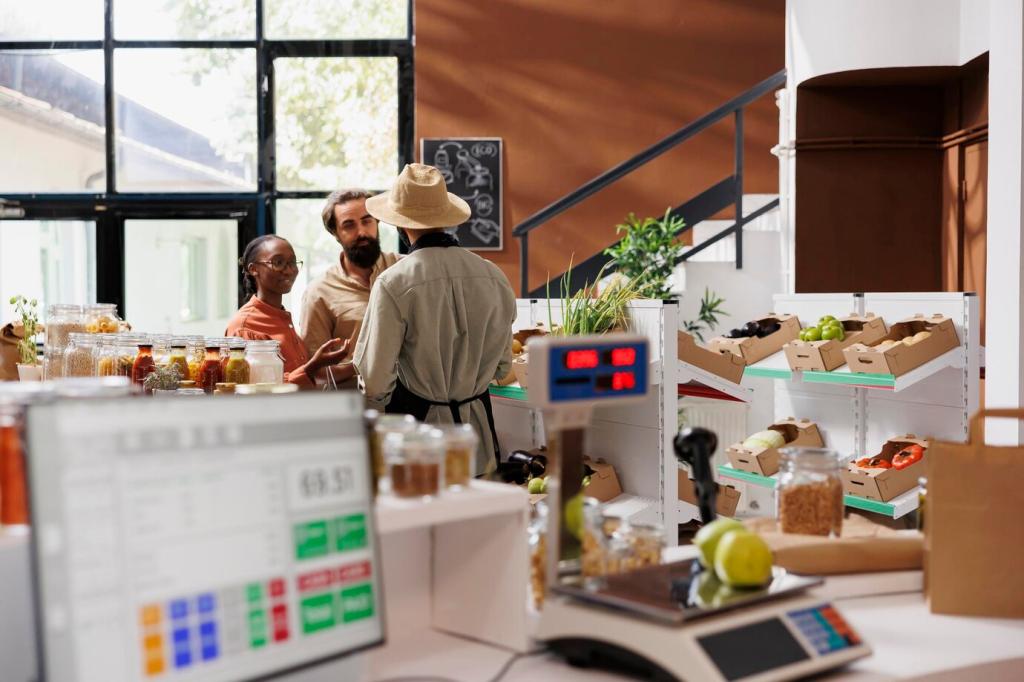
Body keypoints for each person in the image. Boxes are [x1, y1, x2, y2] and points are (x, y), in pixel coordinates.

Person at [354, 164, 516, 475]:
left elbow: (375, 382)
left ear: (399, 224)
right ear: (445, 218)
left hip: (418, 444)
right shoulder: (493, 276)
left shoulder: (393, 283)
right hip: (478, 442)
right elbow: (502, 367)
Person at [299, 189, 400, 387]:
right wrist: (364, 366)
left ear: (377, 221)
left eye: (367, 221)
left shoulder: (405, 270)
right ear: (335, 233)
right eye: (349, 225)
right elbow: (316, 372)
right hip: (356, 399)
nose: (361, 232)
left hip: (416, 398)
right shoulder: (319, 293)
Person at [226, 235, 350, 387]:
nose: (289, 270)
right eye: (278, 262)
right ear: (253, 269)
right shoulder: (244, 327)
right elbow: (257, 390)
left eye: (292, 262)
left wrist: (358, 365)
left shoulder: (281, 317)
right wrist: (313, 366)